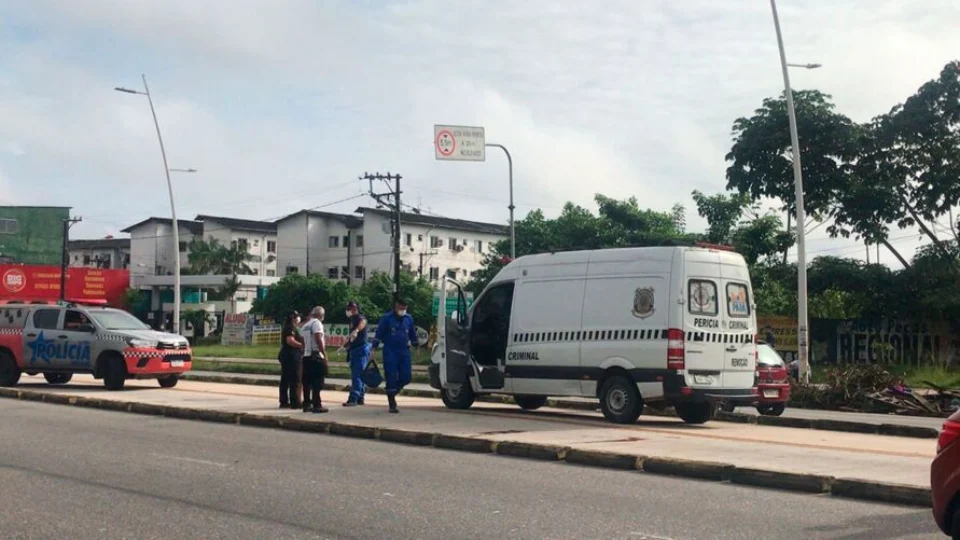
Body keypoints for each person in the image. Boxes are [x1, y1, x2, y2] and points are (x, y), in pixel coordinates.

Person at [372, 299, 419, 413]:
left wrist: (416, 345)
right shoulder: (387, 318)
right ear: (396, 307)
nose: (403, 311)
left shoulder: (408, 318)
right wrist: (373, 348)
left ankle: (393, 391)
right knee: (391, 376)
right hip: (390, 351)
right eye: (401, 308)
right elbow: (379, 334)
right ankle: (392, 402)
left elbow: (412, 333)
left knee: (406, 377)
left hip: (404, 351)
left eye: (405, 309)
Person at [300, 306, 329, 413]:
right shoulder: (317, 323)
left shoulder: (305, 325)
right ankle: (317, 404)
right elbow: (318, 338)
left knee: (307, 382)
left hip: (306, 356)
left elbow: (303, 342)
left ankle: (307, 404)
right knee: (318, 381)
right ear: (321, 315)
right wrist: (324, 353)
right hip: (315, 355)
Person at [342, 301, 370, 407]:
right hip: (355, 349)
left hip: (360, 350)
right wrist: (347, 344)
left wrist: (357, 330)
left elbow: (363, 323)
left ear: (355, 308)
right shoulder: (352, 319)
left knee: (357, 375)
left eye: (350, 309)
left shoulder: (359, 318)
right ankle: (360, 398)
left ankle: (353, 398)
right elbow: (353, 337)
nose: (348, 311)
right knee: (360, 375)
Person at [278, 311, 304, 409]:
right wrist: (302, 345)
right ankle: (295, 402)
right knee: (295, 379)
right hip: (292, 356)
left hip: (287, 356)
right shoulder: (290, 327)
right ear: (293, 318)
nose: (298, 319)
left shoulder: (288, 326)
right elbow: (290, 341)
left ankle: (283, 401)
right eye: (297, 317)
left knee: (285, 379)